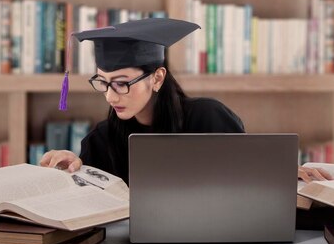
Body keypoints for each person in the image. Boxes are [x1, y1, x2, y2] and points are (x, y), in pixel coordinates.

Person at [40, 18, 245, 183]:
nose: (110, 97)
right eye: (102, 82)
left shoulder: (209, 120)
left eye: (121, 83)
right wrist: (75, 171)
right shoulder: (102, 139)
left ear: (157, 78)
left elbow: (246, 186)